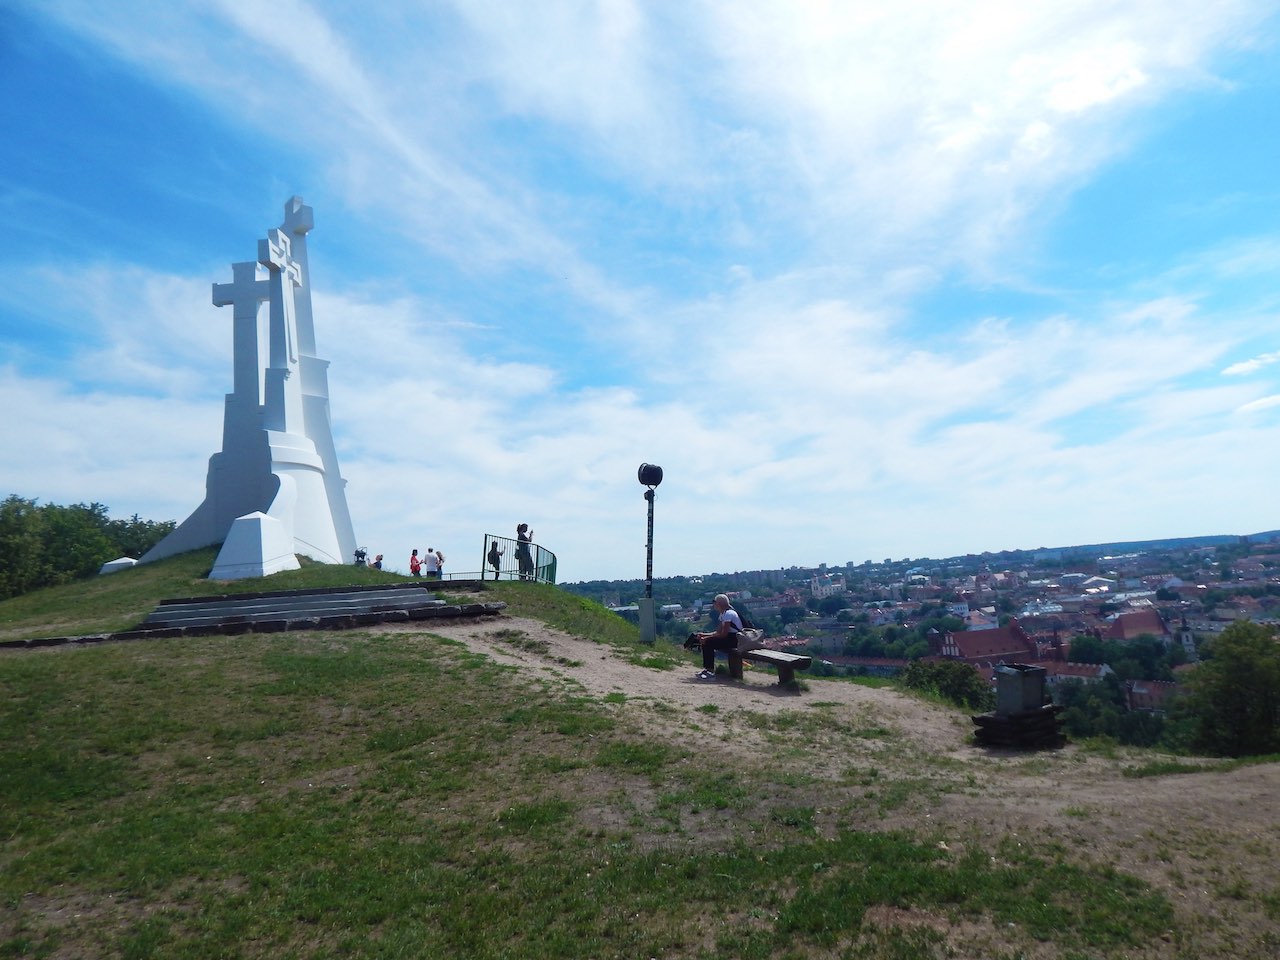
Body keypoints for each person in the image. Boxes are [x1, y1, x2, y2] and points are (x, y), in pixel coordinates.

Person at [690, 594, 744, 681]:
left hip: (734, 639)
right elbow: (718, 632)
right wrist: (704, 635)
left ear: (719, 603)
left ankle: (709, 671)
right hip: (730, 637)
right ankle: (708, 670)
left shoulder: (728, 614)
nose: (713, 605)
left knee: (708, 642)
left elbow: (723, 634)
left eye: (714, 602)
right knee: (707, 641)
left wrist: (707, 638)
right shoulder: (723, 614)